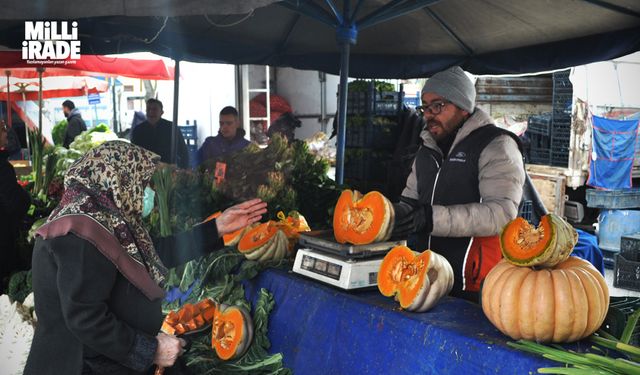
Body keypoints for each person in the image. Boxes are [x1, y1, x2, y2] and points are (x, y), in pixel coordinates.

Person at [24, 141, 267, 374]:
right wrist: (151, 351)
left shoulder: (102, 221)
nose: (148, 192)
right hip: (80, 366)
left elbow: (151, 254)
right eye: (144, 183)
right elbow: (86, 318)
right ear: (120, 180)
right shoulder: (81, 233)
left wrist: (216, 228)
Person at [392, 66, 525, 302]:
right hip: (423, 278)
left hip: (474, 284)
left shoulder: (497, 145)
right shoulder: (427, 147)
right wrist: (387, 215)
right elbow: (409, 199)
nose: (429, 114)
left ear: (463, 107)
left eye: (438, 106)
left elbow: (502, 214)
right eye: (425, 106)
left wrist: (432, 219)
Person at [0, 120, 31, 290]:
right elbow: (15, 203)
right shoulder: (2, 168)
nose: (7, 134)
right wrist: (26, 197)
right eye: (3, 130)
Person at [131, 99, 190, 168]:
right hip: (144, 169)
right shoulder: (138, 130)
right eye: (148, 109)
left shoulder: (172, 128)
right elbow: (132, 154)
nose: (151, 112)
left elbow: (183, 152)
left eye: (154, 109)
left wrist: (183, 170)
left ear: (162, 112)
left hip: (168, 170)